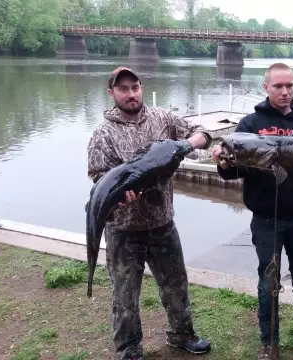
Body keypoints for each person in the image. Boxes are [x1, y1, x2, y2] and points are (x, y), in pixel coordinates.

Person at [87, 66, 213, 360]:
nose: (131, 94)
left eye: (135, 87)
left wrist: (183, 145)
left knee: (176, 285)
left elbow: (203, 134)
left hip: (162, 224)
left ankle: (182, 335)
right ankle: (129, 349)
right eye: (123, 89)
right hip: (122, 230)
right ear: (111, 93)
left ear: (141, 87)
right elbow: (98, 179)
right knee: (125, 295)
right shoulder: (102, 134)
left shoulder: (164, 119)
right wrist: (121, 197)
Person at [210, 62, 293, 360]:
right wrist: (222, 162)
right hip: (265, 220)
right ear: (266, 87)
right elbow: (230, 173)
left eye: (289, 86)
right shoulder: (249, 126)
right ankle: (268, 341)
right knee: (268, 281)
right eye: (278, 86)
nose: (285, 91)